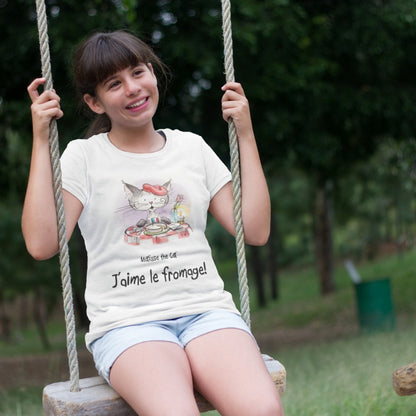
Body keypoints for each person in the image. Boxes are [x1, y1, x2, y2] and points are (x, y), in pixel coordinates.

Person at [23, 30, 284, 416]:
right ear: (94, 102)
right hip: (128, 325)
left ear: (153, 74)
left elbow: (256, 230)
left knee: (263, 411)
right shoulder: (83, 158)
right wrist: (41, 142)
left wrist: (245, 133)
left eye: (138, 72)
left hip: (207, 312)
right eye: (114, 83)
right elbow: (42, 244)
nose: (132, 88)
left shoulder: (192, 148)